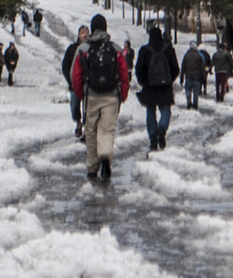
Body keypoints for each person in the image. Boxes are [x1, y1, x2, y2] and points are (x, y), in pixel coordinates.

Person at [72, 14, 129, 180]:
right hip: (111, 96)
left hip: (92, 95)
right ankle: (105, 155)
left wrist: (81, 94)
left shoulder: (83, 50)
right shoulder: (116, 49)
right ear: (105, 28)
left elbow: (76, 75)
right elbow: (124, 74)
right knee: (106, 129)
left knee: (90, 130)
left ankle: (92, 167)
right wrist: (122, 94)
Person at [135, 27, 180, 151]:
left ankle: (153, 138)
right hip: (165, 87)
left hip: (149, 88)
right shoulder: (168, 49)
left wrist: (145, 82)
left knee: (150, 112)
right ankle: (162, 129)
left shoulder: (144, 50)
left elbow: (139, 70)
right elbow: (176, 69)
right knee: (165, 110)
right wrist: (169, 80)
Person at [62, 25, 89, 138]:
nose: (85, 34)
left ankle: (87, 127)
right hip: (75, 83)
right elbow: (65, 65)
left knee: (87, 107)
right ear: (78, 34)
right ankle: (78, 123)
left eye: (87, 32)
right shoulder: (72, 48)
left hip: (88, 84)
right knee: (74, 106)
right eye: (83, 32)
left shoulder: (91, 48)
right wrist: (70, 80)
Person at [180, 41, 206, 110]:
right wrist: (204, 79)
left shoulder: (186, 56)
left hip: (188, 77)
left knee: (188, 90)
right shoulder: (199, 56)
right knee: (196, 92)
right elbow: (202, 68)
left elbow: (183, 67)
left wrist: (181, 77)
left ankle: (188, 100)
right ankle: (195, 105)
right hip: (197, 77)